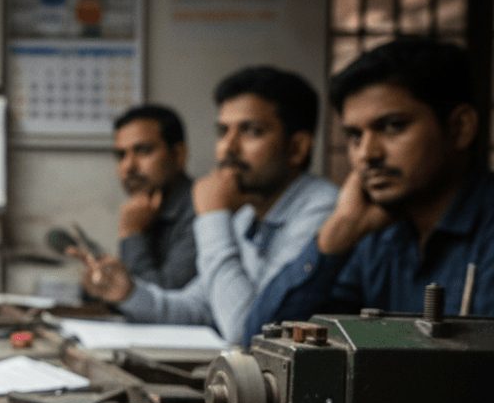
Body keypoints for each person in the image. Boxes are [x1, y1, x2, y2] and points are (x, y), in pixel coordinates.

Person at [244, 38, 494, 344]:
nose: (366, 153)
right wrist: (338, 231)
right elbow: (261, 339)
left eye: (392, 126)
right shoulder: (374, 234)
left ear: (460, 128)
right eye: (354, 135)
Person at [72, 67, 338, 344]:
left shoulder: (323, 210)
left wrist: (213, 215)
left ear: (297, 148)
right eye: (223, 132)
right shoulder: (247, 214)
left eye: (251, 131)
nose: (227, 148)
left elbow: (246, 330)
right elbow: (194, 307)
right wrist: (127, 293)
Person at [111, 104, 197, 289]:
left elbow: (158, 301)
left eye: (143, 151)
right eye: (121, 155)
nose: (128, 166)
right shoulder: (144, 208)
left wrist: (132, 233)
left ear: (178, 155)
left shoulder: (201, 209)